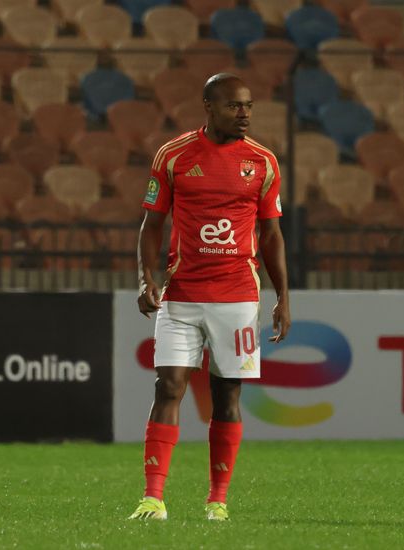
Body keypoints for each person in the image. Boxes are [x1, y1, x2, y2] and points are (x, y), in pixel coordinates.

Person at [128, 73, 291, 522]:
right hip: (181, 296)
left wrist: (282, 297)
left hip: (238, 298)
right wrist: (146, 278)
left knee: (227, 396)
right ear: (208, 106)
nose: (244, 114)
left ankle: (217, 500)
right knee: (169, 386)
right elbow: (152, 223)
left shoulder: (262, 162)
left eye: (249, 106)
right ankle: (153, 498)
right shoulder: (174, 156)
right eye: (234, 106)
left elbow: (272, 234)